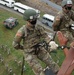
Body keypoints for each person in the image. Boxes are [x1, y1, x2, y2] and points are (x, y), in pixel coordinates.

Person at [12, 9, 59, 75]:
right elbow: (15, 44)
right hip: (29, 53)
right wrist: (23, 48)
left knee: (51, 63)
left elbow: (45, 35)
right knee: (39, 71)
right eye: (32, 19)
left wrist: (50, 42)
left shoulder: (38, 28)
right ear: (27, 20)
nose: (34, 20)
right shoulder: (22, 31)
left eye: (35, 18)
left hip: (39, 49)